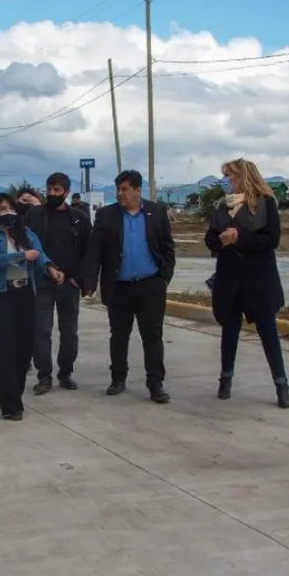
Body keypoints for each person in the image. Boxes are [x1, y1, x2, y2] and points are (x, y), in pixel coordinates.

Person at [81, 169, 176, 403]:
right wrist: (89, 281)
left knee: (152, 335)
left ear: (137, 190)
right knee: (119, 335)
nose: (120, 194)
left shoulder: (157, 212)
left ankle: (155, 383)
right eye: (118, 189)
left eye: (124, 189)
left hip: (150, 285)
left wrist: (164, 277)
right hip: (119, 286)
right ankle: (118, 379)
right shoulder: (106, 216)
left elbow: (167, 247)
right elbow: (95, 251)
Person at [206, 158, 289, 408]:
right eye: (226, 176)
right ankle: (225, 379)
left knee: (268, 334)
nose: (228, 181)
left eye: (231, 176)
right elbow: (210, 240)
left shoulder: (266, 204)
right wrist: (221, 239)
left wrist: (240, 238)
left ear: (244, 176)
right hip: (229, 279)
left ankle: (281, 384)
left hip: (258, 280)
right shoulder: (222, 206)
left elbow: (271, 240)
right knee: (229, 332)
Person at [0, 193, 64, 420]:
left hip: (25, 292)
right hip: (0, 295)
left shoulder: (26, 234)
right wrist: (22, 255)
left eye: (10, 208)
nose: (6, 212)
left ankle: (14, 392)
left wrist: (50, 268)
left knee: (25, 348)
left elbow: (41, 255)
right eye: (1, 209)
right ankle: (11, 405)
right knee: (7, 348)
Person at [25, 171, 90, 394]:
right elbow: (25, 242)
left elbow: (87, 252)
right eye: (49, 189)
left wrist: (78, 280)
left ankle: (66, 373)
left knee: (69, 331)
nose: (52, 193)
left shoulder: (79, 218)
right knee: (41, 330)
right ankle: (44, 376)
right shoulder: (35, 215)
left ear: (67, 192)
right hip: (42, 282)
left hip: (69, 284)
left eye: (57, 190)